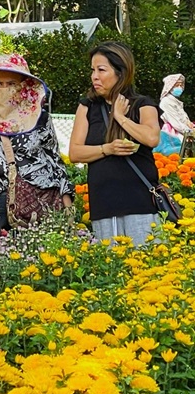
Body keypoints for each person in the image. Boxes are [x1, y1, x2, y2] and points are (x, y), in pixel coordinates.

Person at [0, 53, 74, 230]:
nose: (4, 89)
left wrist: (68, 209)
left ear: (24, 86)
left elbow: (55, 162)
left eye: (11, 84)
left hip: (41, 203)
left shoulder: (40, 118)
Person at [69, 41, 161, 245]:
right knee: (112, 268)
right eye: (93, 70)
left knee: (145, 266)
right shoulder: (87, 107)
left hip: (140, 203)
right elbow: (75, 153)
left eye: (101, 70)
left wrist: (120, 117)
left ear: (121, 72)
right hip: (104, 204)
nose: (94, 76)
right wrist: (107, 149)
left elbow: (151, 138)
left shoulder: (143, 104)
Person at [156, 74, 193, 155]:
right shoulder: (166, 102)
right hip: (173, 135)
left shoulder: (176, 102)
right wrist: (191, 132)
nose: (179, 87)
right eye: (176, 85)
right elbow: (175, 123)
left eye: (181, 85)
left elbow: (185, 120)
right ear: (170, 87)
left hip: (184, 132)